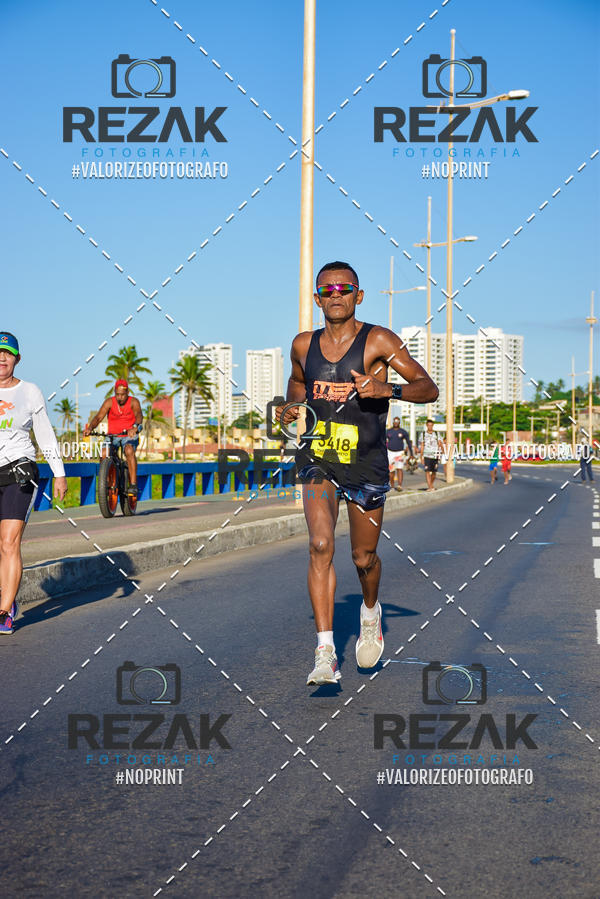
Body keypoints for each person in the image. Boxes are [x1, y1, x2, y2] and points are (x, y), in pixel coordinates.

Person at [278, 261, 438, 686]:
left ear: (358, 295)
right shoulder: (302, 344)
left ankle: (370, 613)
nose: (335, 294)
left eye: (344, 287)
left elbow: (428, 387)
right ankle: (325, 651)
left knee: (363, 558)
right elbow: (297, 384)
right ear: (317, 298)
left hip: (366, 464)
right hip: (318, 460)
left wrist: (389, 389)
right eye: (326, 289)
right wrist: (289, 408)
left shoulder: (378, 340)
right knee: (319, 544)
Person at [0, 332, 67, 635]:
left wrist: (59, 472)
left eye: (8, 353)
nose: (2, 358)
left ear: (17, 359)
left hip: (20, 471)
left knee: (8, 542)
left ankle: (4, 611)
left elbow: (44, 433)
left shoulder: (29, 391)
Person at [83, 379, 143, 497]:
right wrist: (90, 428)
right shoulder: (109, 402)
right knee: (104, 453)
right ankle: (105, 483)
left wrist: (135, 427)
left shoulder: (134, 402)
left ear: (127, 393)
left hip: (128, 436)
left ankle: (133, 484)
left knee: (129, 450)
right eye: (117, 394)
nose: (120, 397)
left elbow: (139, 415)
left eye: (122, 394)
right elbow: (98, 417)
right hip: (112, 436)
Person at [386, 416, 414, 491]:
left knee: (399, 468)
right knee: (391, 470)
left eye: (397, 421)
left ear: (399, 422)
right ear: (393, 422)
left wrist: (411, 454)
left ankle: (399, 485)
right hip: (390, 452)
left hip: (400, 453)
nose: (396, 423)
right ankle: (391, 486)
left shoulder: (403, 431)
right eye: (395, 421)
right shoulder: (388, 431)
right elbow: (382, 441)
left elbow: (408, 443)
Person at [419, 419, 444, 491]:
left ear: (433, 425)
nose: (430, 427)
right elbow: (422, 445)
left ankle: (431, 484)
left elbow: (440, 443)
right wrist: (421, 456)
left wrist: (442, 452)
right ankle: (430, 486)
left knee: (434, 472)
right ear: (426, 425)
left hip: (435, 455)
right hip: (427, 455)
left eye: (431, 425)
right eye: (428, 425)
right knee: (427, 471)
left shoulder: (436, 433)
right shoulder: (423, 434)